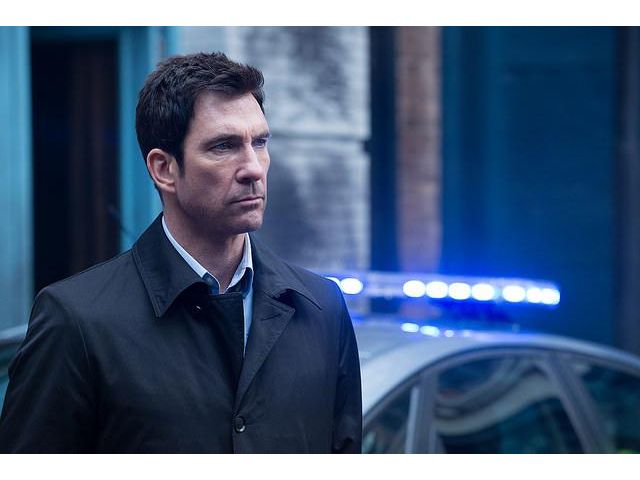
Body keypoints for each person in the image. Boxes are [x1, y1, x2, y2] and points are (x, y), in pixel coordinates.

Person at [0, 52, 362, 453]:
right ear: (164, 169)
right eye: (224, 146)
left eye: (259, 142)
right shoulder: (76, 321)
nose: (254, 168)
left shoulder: (322, 307)